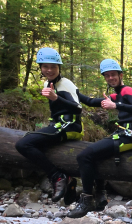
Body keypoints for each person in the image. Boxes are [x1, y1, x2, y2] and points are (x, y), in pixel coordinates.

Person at [67, 59, 132, 218]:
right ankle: (100, 194)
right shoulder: (117, 95)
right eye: (107, 76)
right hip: (122, 134)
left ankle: (87, 200)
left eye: (113, 75)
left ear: (120, 75)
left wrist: (116, 106)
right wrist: (72, 90)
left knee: (84, 156)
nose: (110, 78)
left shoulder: (128, 91)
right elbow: (90, 101)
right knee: (95, 155)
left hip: (131, 136)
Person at [14, 47, 83, 205]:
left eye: (53, 66)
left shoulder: (66, 84)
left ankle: (58, 176)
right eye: (45, 66)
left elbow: (78, 108)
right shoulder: (48, 83)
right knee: (30, 141)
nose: (49, 70)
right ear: (41, 68)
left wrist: (56, 97)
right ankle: (70, 187)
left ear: (59, 67)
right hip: (59, 124)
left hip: (71, 126)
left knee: (23, 144)